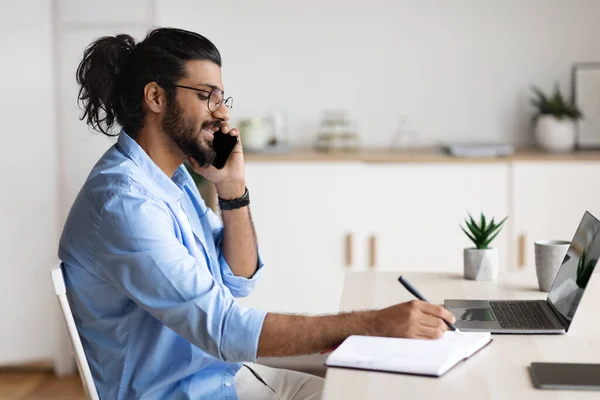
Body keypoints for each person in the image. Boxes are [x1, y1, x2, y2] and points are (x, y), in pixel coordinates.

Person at [58, 27, 456, 400]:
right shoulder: (126, 203)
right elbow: (224, 328)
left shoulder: (172, 180)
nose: (221, 114)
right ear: (157, 98)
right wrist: (372, 324)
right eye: (206, 96)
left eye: (221, 99)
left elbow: (238, 278)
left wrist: (232, 188)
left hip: (221, 376)